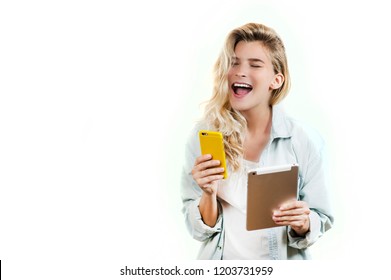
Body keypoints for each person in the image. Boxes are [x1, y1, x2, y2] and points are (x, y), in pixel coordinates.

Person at [180, 22, 333, 260]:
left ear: (276, 80)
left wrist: (303, 222)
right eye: (234, 62)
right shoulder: (205, 136)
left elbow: (320, 217)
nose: (240, 71)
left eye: (255, 64)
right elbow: (200, 230)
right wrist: (208, 194)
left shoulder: (301, 140)